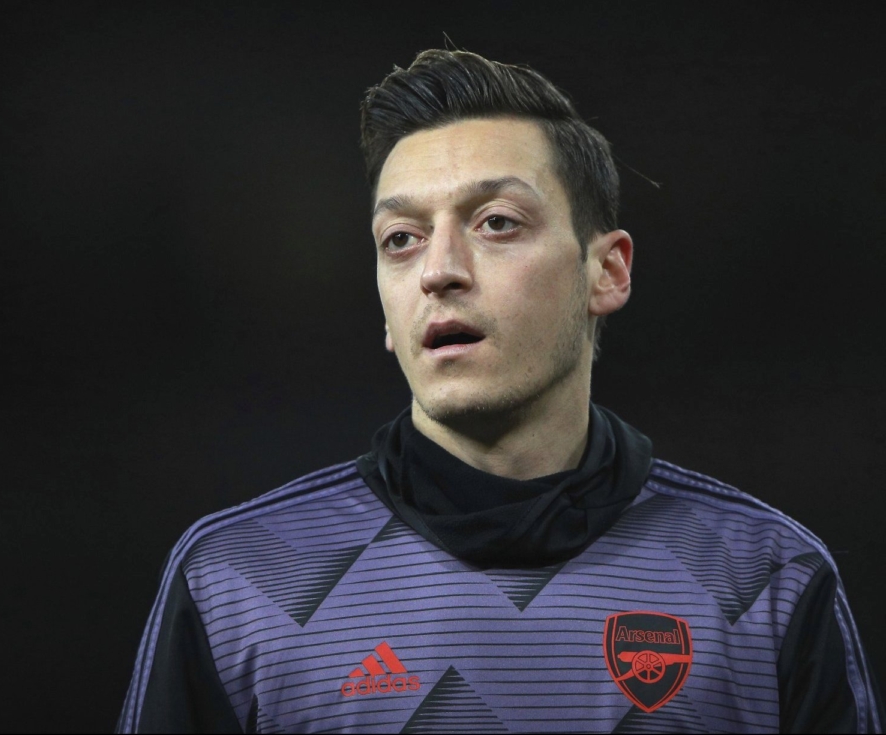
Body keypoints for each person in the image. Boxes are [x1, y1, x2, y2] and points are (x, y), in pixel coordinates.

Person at [116, 49, 882, 734]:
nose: (438, 270)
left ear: (606, 271)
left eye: (495, 222)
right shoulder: (236, 579)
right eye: (401, 239)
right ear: (385, 307)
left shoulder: (766, 578)